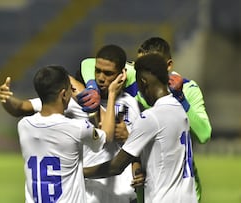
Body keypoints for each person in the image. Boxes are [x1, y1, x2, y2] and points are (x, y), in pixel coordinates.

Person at [0, 45, 141, 203]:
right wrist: (7, 99)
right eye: (97, 71)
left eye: (108, 73)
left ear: (122, 75)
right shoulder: (74, 101)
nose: (101, 78)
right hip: (88, 193)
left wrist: (131, 146)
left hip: (122, 193)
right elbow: (23, 107)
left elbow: (139, 149)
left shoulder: (132, 105)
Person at [79, 37, 211, 202]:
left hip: (165, 191)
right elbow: (90, 63)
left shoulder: (185, 92)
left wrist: (76, 172)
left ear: (168, 65)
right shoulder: (175, 107)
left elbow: (204, 134)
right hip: (175, 190)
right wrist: (92, 87)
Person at [17, 65, 125, 202]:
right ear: (63, 94)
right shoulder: (77, 128)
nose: (73, 92)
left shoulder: (23, 125)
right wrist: (111, 95)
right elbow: (107, 137)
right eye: (71, 89)